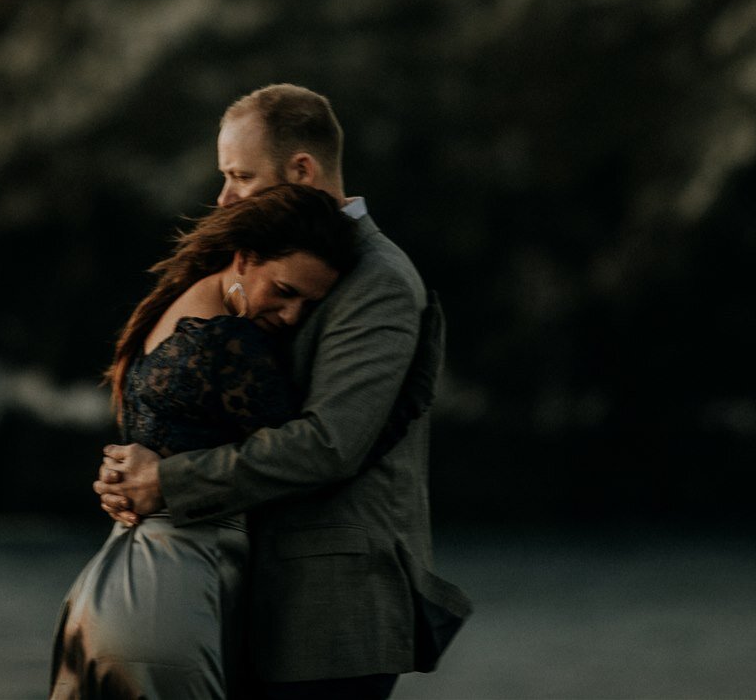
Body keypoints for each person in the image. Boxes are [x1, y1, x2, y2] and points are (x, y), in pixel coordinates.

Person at [96, 84, 471, 700]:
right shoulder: (269, 256)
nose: (224, 197)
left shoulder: (379, 279)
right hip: (247, 595)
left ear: (301, 170)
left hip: (329, 611)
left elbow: (329, 444)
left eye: (242, 176)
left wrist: (167, 482)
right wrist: (132, 473)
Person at [51, 181, 362, 700]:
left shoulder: (171, 308)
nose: (290, 317)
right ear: (243, 258)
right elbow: (315, 457)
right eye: (284, 291)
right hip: (171, 601)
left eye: (309, 305)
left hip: (108, 590)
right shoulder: (229, 343)